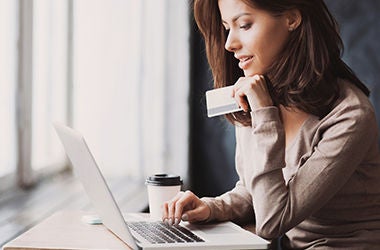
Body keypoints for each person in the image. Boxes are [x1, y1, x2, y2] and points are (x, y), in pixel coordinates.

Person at [163, 0, 380, 248]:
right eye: (226, 27)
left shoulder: (350, 116)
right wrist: (212, 208)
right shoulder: (258, 93)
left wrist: (264, 114)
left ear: (291, 19)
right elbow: (258, 192)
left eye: (244, 25)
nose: (229, 44)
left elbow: (271, 221)